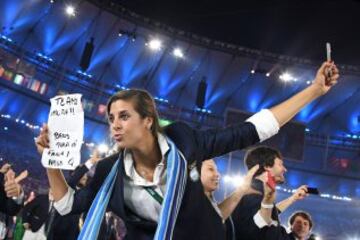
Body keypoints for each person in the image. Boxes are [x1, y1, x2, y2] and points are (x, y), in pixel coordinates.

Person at [35, 61, 339, 239]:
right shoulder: (108, 171)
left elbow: (252, 130)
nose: (115, 125)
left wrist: (314, 90)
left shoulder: (184, 141)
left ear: (148, 121)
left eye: (124, 116)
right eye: (111, 118)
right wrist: (50, 161)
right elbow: (66, 205)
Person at [231, 146, 310, 240]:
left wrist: (293, 198)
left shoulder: (256, 193)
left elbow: (269, 213)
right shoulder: (254, 195)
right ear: (267, 166)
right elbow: (259, 230)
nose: (285, 169)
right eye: (280, 164)